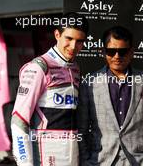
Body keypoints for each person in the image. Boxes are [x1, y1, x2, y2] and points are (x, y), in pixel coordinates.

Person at [78, 26, 143, 166]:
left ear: (131, 52)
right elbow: (81, 129)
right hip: (100, 162)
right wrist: (86, 161)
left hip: (140, 162)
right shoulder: (90, 83)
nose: (117, 56)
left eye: (123, 51)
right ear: (103, 52)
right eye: (111, 51)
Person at [11, 13, 88, 166]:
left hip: (71, 156)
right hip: (45, 155)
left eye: (79, 41)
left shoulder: (75, 68)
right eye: (69, 38)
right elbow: (19, 120)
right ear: (57, 34)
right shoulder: (39, 67)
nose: (73, 46)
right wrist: (25, 163)